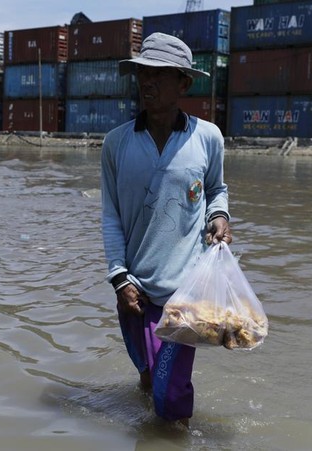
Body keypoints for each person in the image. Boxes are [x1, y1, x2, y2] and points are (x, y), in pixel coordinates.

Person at [100, 32, 231, 426]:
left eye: (159, 74)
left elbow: (215, 190)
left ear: (184, 83)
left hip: (184, 293)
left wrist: (219, 217)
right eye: (143, 73)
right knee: (146, 376)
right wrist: (119, 279)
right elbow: (110, 215)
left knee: (170, 395)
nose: (147, 81)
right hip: (135, 291)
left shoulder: (207, 137)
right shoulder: (116, 144)